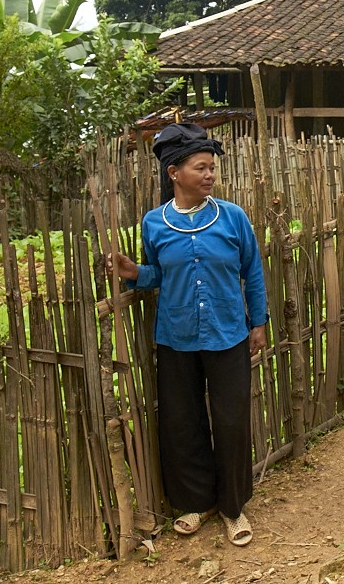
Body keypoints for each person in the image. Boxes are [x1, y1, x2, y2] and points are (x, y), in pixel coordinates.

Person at [107, 123, 268, 546]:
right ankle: (198, 502)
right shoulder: (154, 223)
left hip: (228, 333)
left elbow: (251, 270)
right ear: (174, 173)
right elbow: (158, 274)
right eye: (201, 168)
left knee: (231, 421)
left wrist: (258, 323)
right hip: (176, 336)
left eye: (212, 167)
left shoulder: (232, 217)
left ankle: (232, 507)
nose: (210, 174)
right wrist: (133, 272)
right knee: (182, 421)